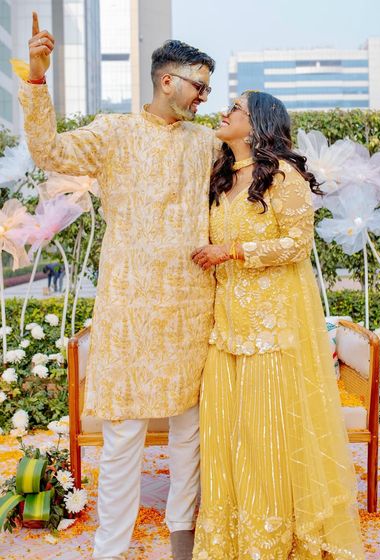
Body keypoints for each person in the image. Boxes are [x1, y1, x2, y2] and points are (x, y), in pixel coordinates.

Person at [21, 12, 219, 560]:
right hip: (129, 309)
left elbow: (254, 177)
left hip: (191, 308)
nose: (204, 96)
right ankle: (110, 550)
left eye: (208, 87)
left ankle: (183, 541)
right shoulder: (115, 133)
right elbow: (51, 153)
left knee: (189, 434)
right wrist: (37, 79)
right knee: (124, 436)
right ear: (167, 80)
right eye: (199, 84)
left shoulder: (207, 145)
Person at [191, 91, 365, 559]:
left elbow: (296, 245)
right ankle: (229, 542)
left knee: (265, 435)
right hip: (224, 328)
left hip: (269, 328)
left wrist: (232, 251)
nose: (223, 112)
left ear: (257, 123)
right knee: (227, 438)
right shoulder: (220, 175)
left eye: (234, 108)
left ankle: (269, 545)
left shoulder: (282, 175)